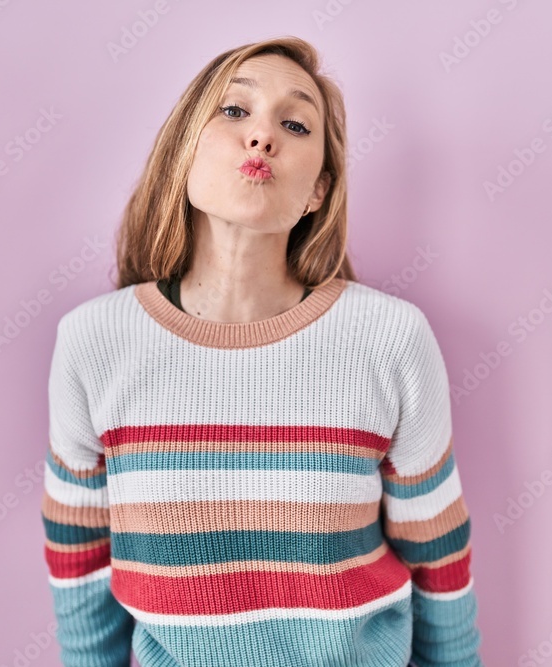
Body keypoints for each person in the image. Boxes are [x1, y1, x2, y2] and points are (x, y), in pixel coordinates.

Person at [40, 35, 484, 667]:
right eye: (234, 111)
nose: (262, 137)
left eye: (295, 123)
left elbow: (438, 557)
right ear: (183, 154)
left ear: (317, 192)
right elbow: (78, 559)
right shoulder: (92, 343)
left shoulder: (390, 339)